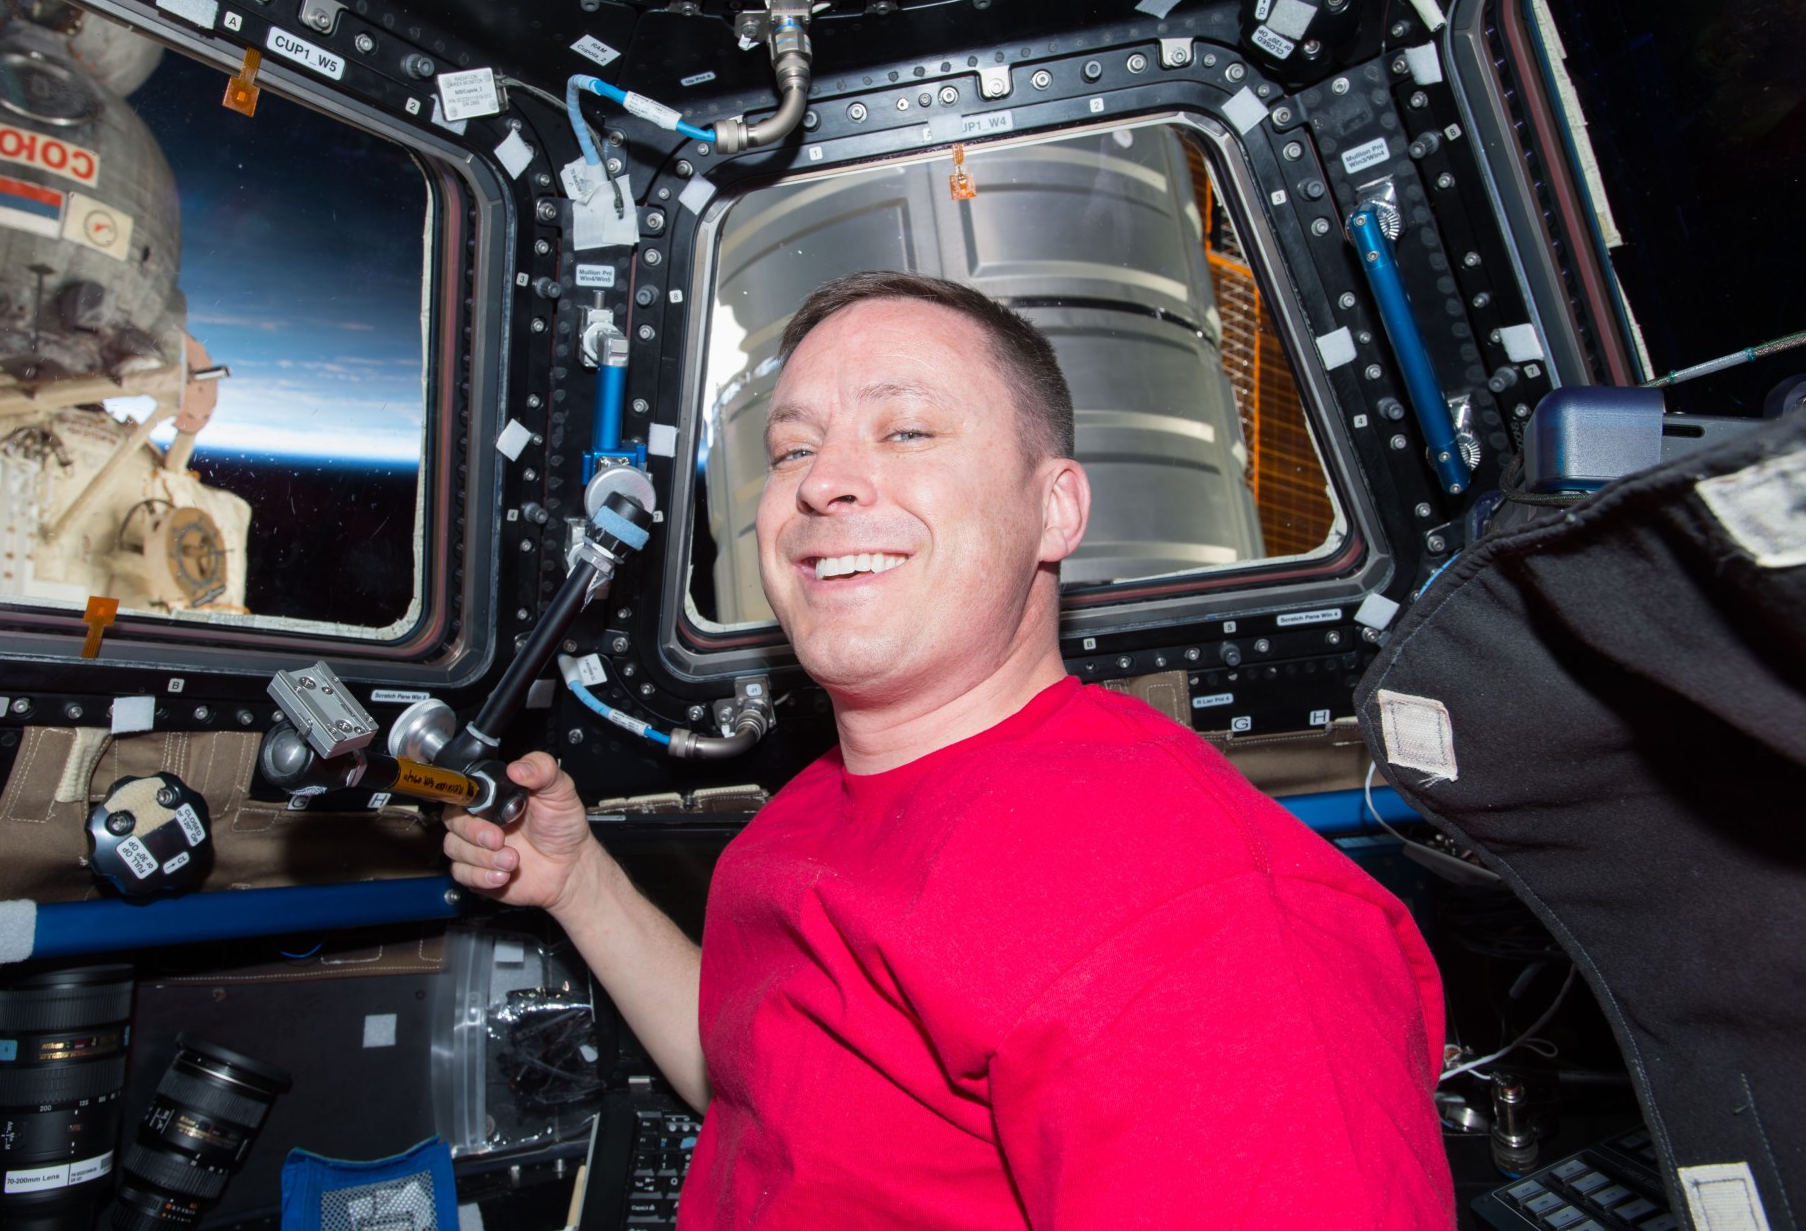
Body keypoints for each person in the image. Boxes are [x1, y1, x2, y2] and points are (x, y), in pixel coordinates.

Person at [444, 271, 1454, 1228]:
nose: (824, 482)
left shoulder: (1201, 917)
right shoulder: (813, 805)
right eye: (791, 449)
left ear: (1053, 507)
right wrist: (579, 884)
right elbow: (753, 1089)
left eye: (908, 429)